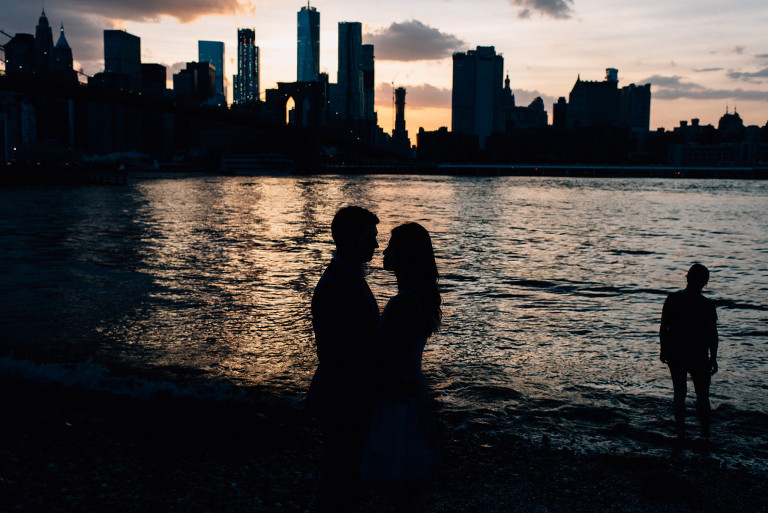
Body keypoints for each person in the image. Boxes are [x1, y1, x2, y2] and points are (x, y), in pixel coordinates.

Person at [360, 222, 442, 513]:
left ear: (405, 254)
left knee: (401, 489)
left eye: (392, 245)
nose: (384, 251)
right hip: (407, 392)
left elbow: (384, 358)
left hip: (399, 400)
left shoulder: (404, 304)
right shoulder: (414, 300)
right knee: (405, 489)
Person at [307, 206, 380, 513]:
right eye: (369, 238)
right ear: (348, 240)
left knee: (344, 477)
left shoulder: (345, 278)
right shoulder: (338, 285)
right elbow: (339, 353)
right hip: (343, 397)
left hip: (344, 395)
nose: (375, 245)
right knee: (342, 478)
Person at [659, 263, 719, 439]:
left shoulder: (672, 299)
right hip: (699, 355)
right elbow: (712, 334)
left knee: (679, 393)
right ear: (705, 283)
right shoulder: (707, 305)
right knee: (702, 395)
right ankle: (705, 434)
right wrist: (713, 357)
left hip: (676, 352)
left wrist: (663, 349)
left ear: (687, 278)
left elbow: (664, 328)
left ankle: (680, 433)